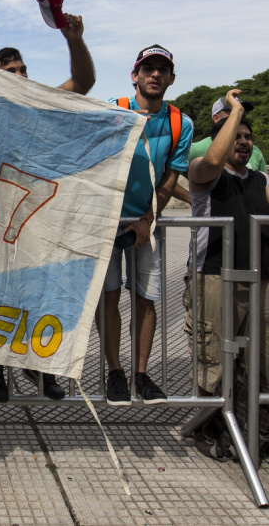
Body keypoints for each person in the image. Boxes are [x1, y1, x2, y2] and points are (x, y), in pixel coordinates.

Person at [0, 18, 95, 402]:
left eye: (23, 69)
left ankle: (36, 364)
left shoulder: (40, 103)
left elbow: (82, 84)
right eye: (10, 71)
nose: (21, 75)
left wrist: (74, 41)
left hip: (34, 216)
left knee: (35, 289)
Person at [100, 44, 193, 406]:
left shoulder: (179, 123)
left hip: (144, 222)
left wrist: (148, 220)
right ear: (134, 75)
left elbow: (171, 177)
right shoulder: (114, 108)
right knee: (108, 299)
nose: (155, 74)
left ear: (171, 78)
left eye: (162, 69)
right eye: (148, 68)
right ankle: (114, 372)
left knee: (146, 301)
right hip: (107, 221)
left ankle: (141, 374)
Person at [184, 89, 269, 399]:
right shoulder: (202, 172)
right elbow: (214, 159)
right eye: (236, 135)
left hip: (258, 281)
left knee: (258, 361)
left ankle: (252, 426)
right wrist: (234, 112)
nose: (244, 141)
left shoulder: (261, 180)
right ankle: (207, 426)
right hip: (214, 277)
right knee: (213, 362)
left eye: (248, 136)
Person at [189, 96, 266, 172]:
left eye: (242, 113)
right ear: (216, 118)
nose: (239, 117)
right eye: (233, 113)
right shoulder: (197, 149)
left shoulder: (255, 152)